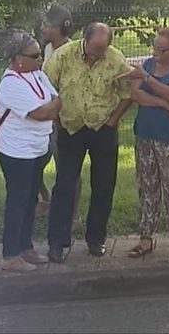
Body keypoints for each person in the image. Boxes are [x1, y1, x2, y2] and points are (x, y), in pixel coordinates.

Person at [45, 22, 133, 263]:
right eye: (94, 48)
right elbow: (46, 88)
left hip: (103, 128)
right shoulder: (63, 55)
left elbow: (129, 92)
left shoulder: (115, 59)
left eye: (103, 49)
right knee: (64, 184)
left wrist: (113, 121)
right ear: (85, 39)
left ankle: (96, 238)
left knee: (103, 184)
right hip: (70, 128)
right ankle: (57, 242)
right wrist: (56, 119)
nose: (98, 54)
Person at [117, 28, 169, 262]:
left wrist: (150, 81)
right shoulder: (148, 64)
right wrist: (162, 103)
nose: (155, 53)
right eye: (154, 47)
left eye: (162, 50)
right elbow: (136, 95)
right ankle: (146, 237)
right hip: (144, 134)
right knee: (147, 187)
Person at [0, 28, 61, 272]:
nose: (40, 59)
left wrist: (52, 106)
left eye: (40, 54)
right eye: (34, 55)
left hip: (37, 148)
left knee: (31, 198)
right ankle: (9, 255)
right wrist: (51, 107)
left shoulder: (37, 75)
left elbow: (56, 99)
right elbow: (42, 112)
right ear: (18, 59)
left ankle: (25, 247)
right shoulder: (11, 83)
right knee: (17, 200)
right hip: (16, 150)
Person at [36, 4, 82, 233]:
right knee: (35, 163)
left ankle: (73, 216)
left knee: (68, 168)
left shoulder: (73, 52)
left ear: (59, 28)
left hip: (65, 119)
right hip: (46, 118)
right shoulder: (47, 49)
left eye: (47, 24)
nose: (42, 28)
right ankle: (46, 198)